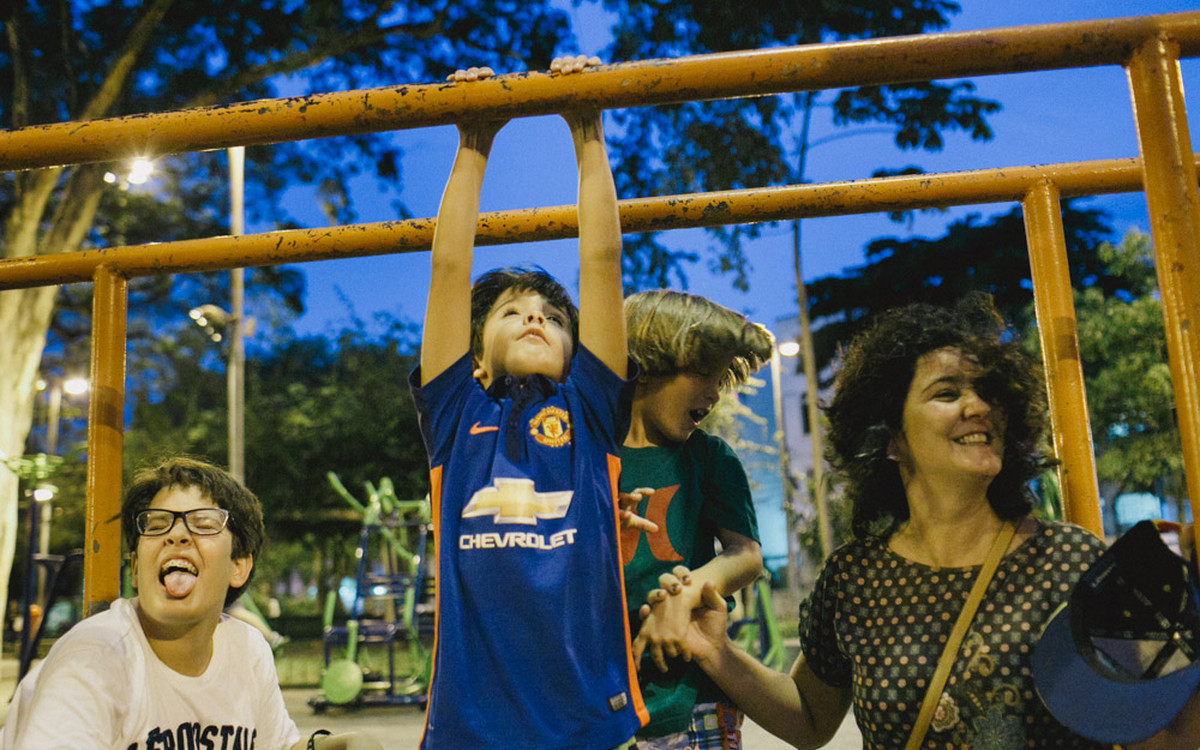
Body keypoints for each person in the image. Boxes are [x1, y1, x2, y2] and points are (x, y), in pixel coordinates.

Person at [673, 294, 1117, 749]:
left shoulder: (1070, 562)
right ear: (890, 438)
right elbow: (809, 718)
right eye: (948, 393)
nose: (979, 407)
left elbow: (1149, 722)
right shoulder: (855, 579)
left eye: (988, 393)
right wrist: (717, 652)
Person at [407, 56, 649, 749]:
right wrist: (473, 142)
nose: (536, 318)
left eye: (551, 313)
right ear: (475, 353)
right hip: (473, 730)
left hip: (588, 722)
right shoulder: (457, 418)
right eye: (511, 311)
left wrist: (587, 126)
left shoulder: (589, 413)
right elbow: (450, 270)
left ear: (577, 350)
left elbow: (602, 261)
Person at [0, 456, 381, 750]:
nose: (176, 535)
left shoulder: (247, 650)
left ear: (239, 566)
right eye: (157, 523)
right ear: (135, 569)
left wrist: (331, 745)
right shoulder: (95, 659)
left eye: (203, 523)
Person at [618, 289, 770, 748]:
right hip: (600, 699)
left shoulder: (710, 457)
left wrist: (684, 595)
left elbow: (747, 555)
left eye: (722, 378)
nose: (715, 392)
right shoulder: (586, 457)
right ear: (645, 366)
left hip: (691, 701)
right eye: (702, 373)